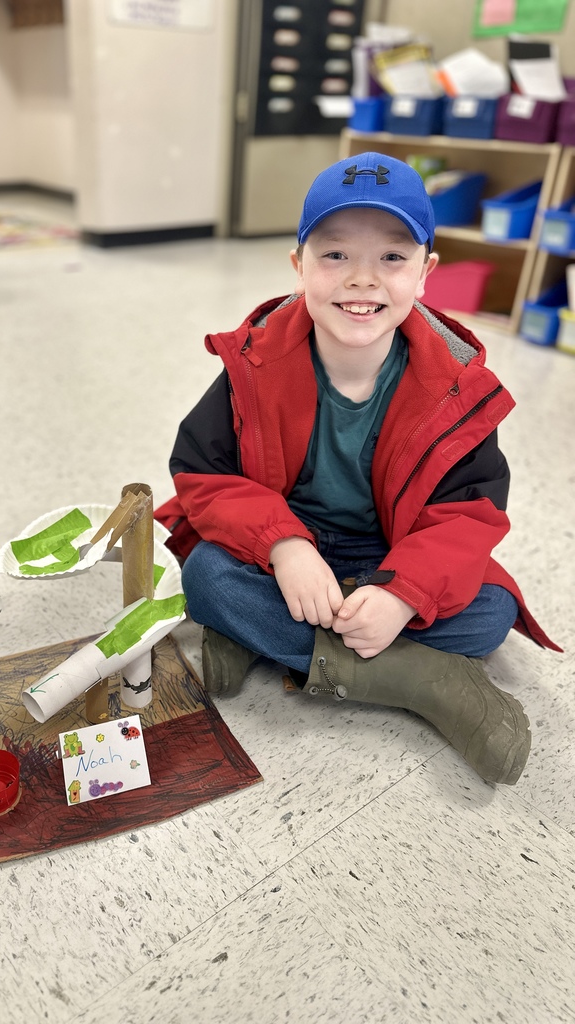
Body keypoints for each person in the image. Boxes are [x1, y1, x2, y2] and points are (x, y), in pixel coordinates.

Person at [156, 151, 560, 787]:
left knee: (490, 614)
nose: (362, 280)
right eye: (335, 255)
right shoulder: (254, 364)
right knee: (205, 576)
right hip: (284, 543)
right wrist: (284, 547)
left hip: (391, 551)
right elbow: (203, 474)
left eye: (392, 258)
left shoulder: (456, 388)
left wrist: (403, 593)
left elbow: (469, 516)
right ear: (299, 267)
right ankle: (418, 679)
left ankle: (265, 638)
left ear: (426, 274)